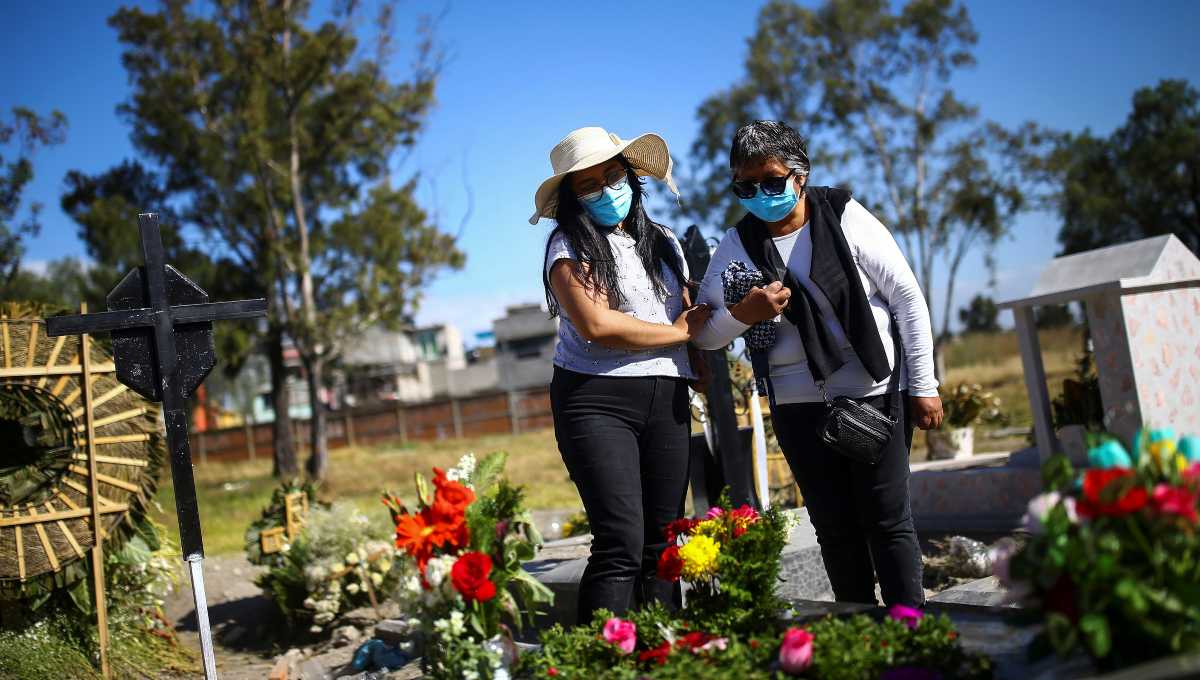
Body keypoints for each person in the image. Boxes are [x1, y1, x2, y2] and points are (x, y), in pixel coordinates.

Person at [693, 120, 943, 608]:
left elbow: (907, 298)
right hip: (797, 405)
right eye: (746, 186)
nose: (760, 194)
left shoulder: (844, 216)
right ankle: (857, 629)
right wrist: (748, 313)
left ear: (799, 176)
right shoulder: (735, 245)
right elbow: (704, 334)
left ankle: (910, 629)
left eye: (771, 180)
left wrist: (924, 384)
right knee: (833, 527)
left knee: (887, 519)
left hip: (872, 390)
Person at [531, 126, 712, 623]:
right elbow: (596, 325)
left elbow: (689, 311)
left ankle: (662, 653)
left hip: (667, 397)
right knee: (619, 542)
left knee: (666, 538)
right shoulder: (567, 245)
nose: (607, 190)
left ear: (632, 178)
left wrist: (696, 355)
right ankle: (604, 661)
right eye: (589, 185)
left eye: (613, 176)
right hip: (596, 401)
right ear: (572, 198)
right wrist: (678, 334)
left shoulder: (665, 242)